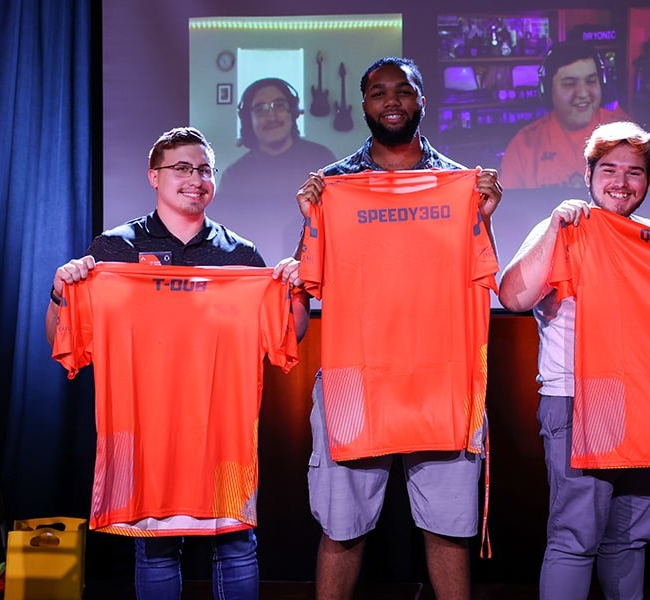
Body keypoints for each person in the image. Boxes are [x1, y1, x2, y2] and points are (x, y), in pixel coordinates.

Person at [45, 126, 310, 600]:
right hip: (148, 432)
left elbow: (287, 337)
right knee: (156, 549)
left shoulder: (242, 256)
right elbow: (64, 341)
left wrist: (295, 289)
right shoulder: (113, 250)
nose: (196, 178)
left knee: (236, 543)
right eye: (182, 168)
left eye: (206, 169)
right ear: (154, 176)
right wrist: (61, 290)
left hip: (222, 434)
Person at [293, 57, 503, 600]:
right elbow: (308, 277)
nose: (392, 101)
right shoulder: (334, 186)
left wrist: (482, 215)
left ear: (421, 101)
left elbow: (484, 273)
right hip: (356, 377)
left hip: (442, 376)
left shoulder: (462, 185)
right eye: (378, 92)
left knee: (449, 528)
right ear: (362, 105)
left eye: (403, 91)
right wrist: (310, 221)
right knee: (342, 527)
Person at [497, 121, 650, 599]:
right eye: (609, 169)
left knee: (632, 538)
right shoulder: (566, 228)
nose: (621, 181)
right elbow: (512, 297)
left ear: (648, 181)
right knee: (576, 538)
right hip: (577, 400)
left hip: (646, 405)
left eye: (634, 172)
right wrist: (554, 227)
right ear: (589, 174)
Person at [218, 78, 337, 252]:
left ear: (293, 111)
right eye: (260, 109)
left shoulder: (321, 159)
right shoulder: (234, 175)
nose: (271, 116)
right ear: (248, 119)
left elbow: (338, 221)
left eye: (278, 105)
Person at [500, 41, 635, 189]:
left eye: (591, 81)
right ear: (548, 90)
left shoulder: (630, 137)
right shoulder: (524, 145)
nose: (583, 94)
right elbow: (508, 208)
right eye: (570, 84)